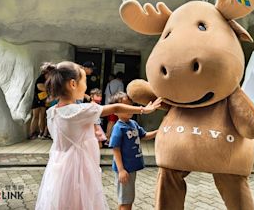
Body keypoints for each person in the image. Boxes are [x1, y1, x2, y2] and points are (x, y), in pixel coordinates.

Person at [35, 61, 161, 210]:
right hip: (79, 166)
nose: (86, 86)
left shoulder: (52, 112)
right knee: (82, 201)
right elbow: (115, 107)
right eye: (84, 81)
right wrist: (144, 110)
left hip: (58, 166)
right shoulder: (81, 111)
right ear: (73, 84)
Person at [109, 92, 157, 210]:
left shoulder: (133, 123)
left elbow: (144, 135)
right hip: (125, 170)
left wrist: (159, 131)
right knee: (126, 201)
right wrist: (121, 170)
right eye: (125, 106)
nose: (129, 109)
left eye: (130, 105)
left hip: (131, 169)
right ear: (116, 111)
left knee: (127, 199)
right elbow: (116, 149)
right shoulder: (118, 127)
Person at [29, 63, 54, 140]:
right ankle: (32, 133)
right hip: (37, 100)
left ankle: (42, 133)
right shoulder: (40, 79)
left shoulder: (47, 80)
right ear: (46, 73)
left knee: (42, 116)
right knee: (35, 116)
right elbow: (41, 87)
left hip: (44, 100)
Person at [104, 72, 124, 144]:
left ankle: (107, 138)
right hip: (114, 106)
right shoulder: (120, 83)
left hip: (107, 104)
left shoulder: (109, 83)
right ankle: (108, 139)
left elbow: (106, 93)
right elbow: (120, 96)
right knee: (112, 122)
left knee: (110, 121)